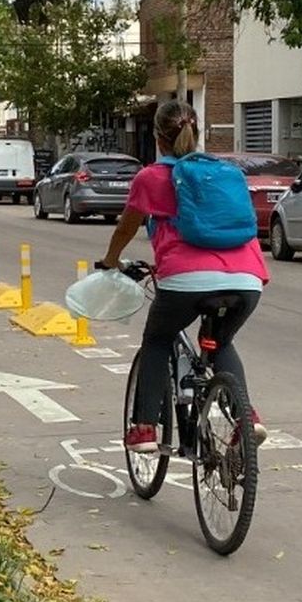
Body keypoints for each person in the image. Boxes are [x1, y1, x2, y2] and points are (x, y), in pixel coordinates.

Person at [99, 99, 267, 453]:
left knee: (158, 339)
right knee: (220, 342)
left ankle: (145, 428)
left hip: (185, 280)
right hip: (247, 278)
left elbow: (125, 229)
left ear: (158, 138)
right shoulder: (226, 174)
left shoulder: (152, 177)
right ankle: (246, 418)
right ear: (198, 132)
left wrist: (111, 260)